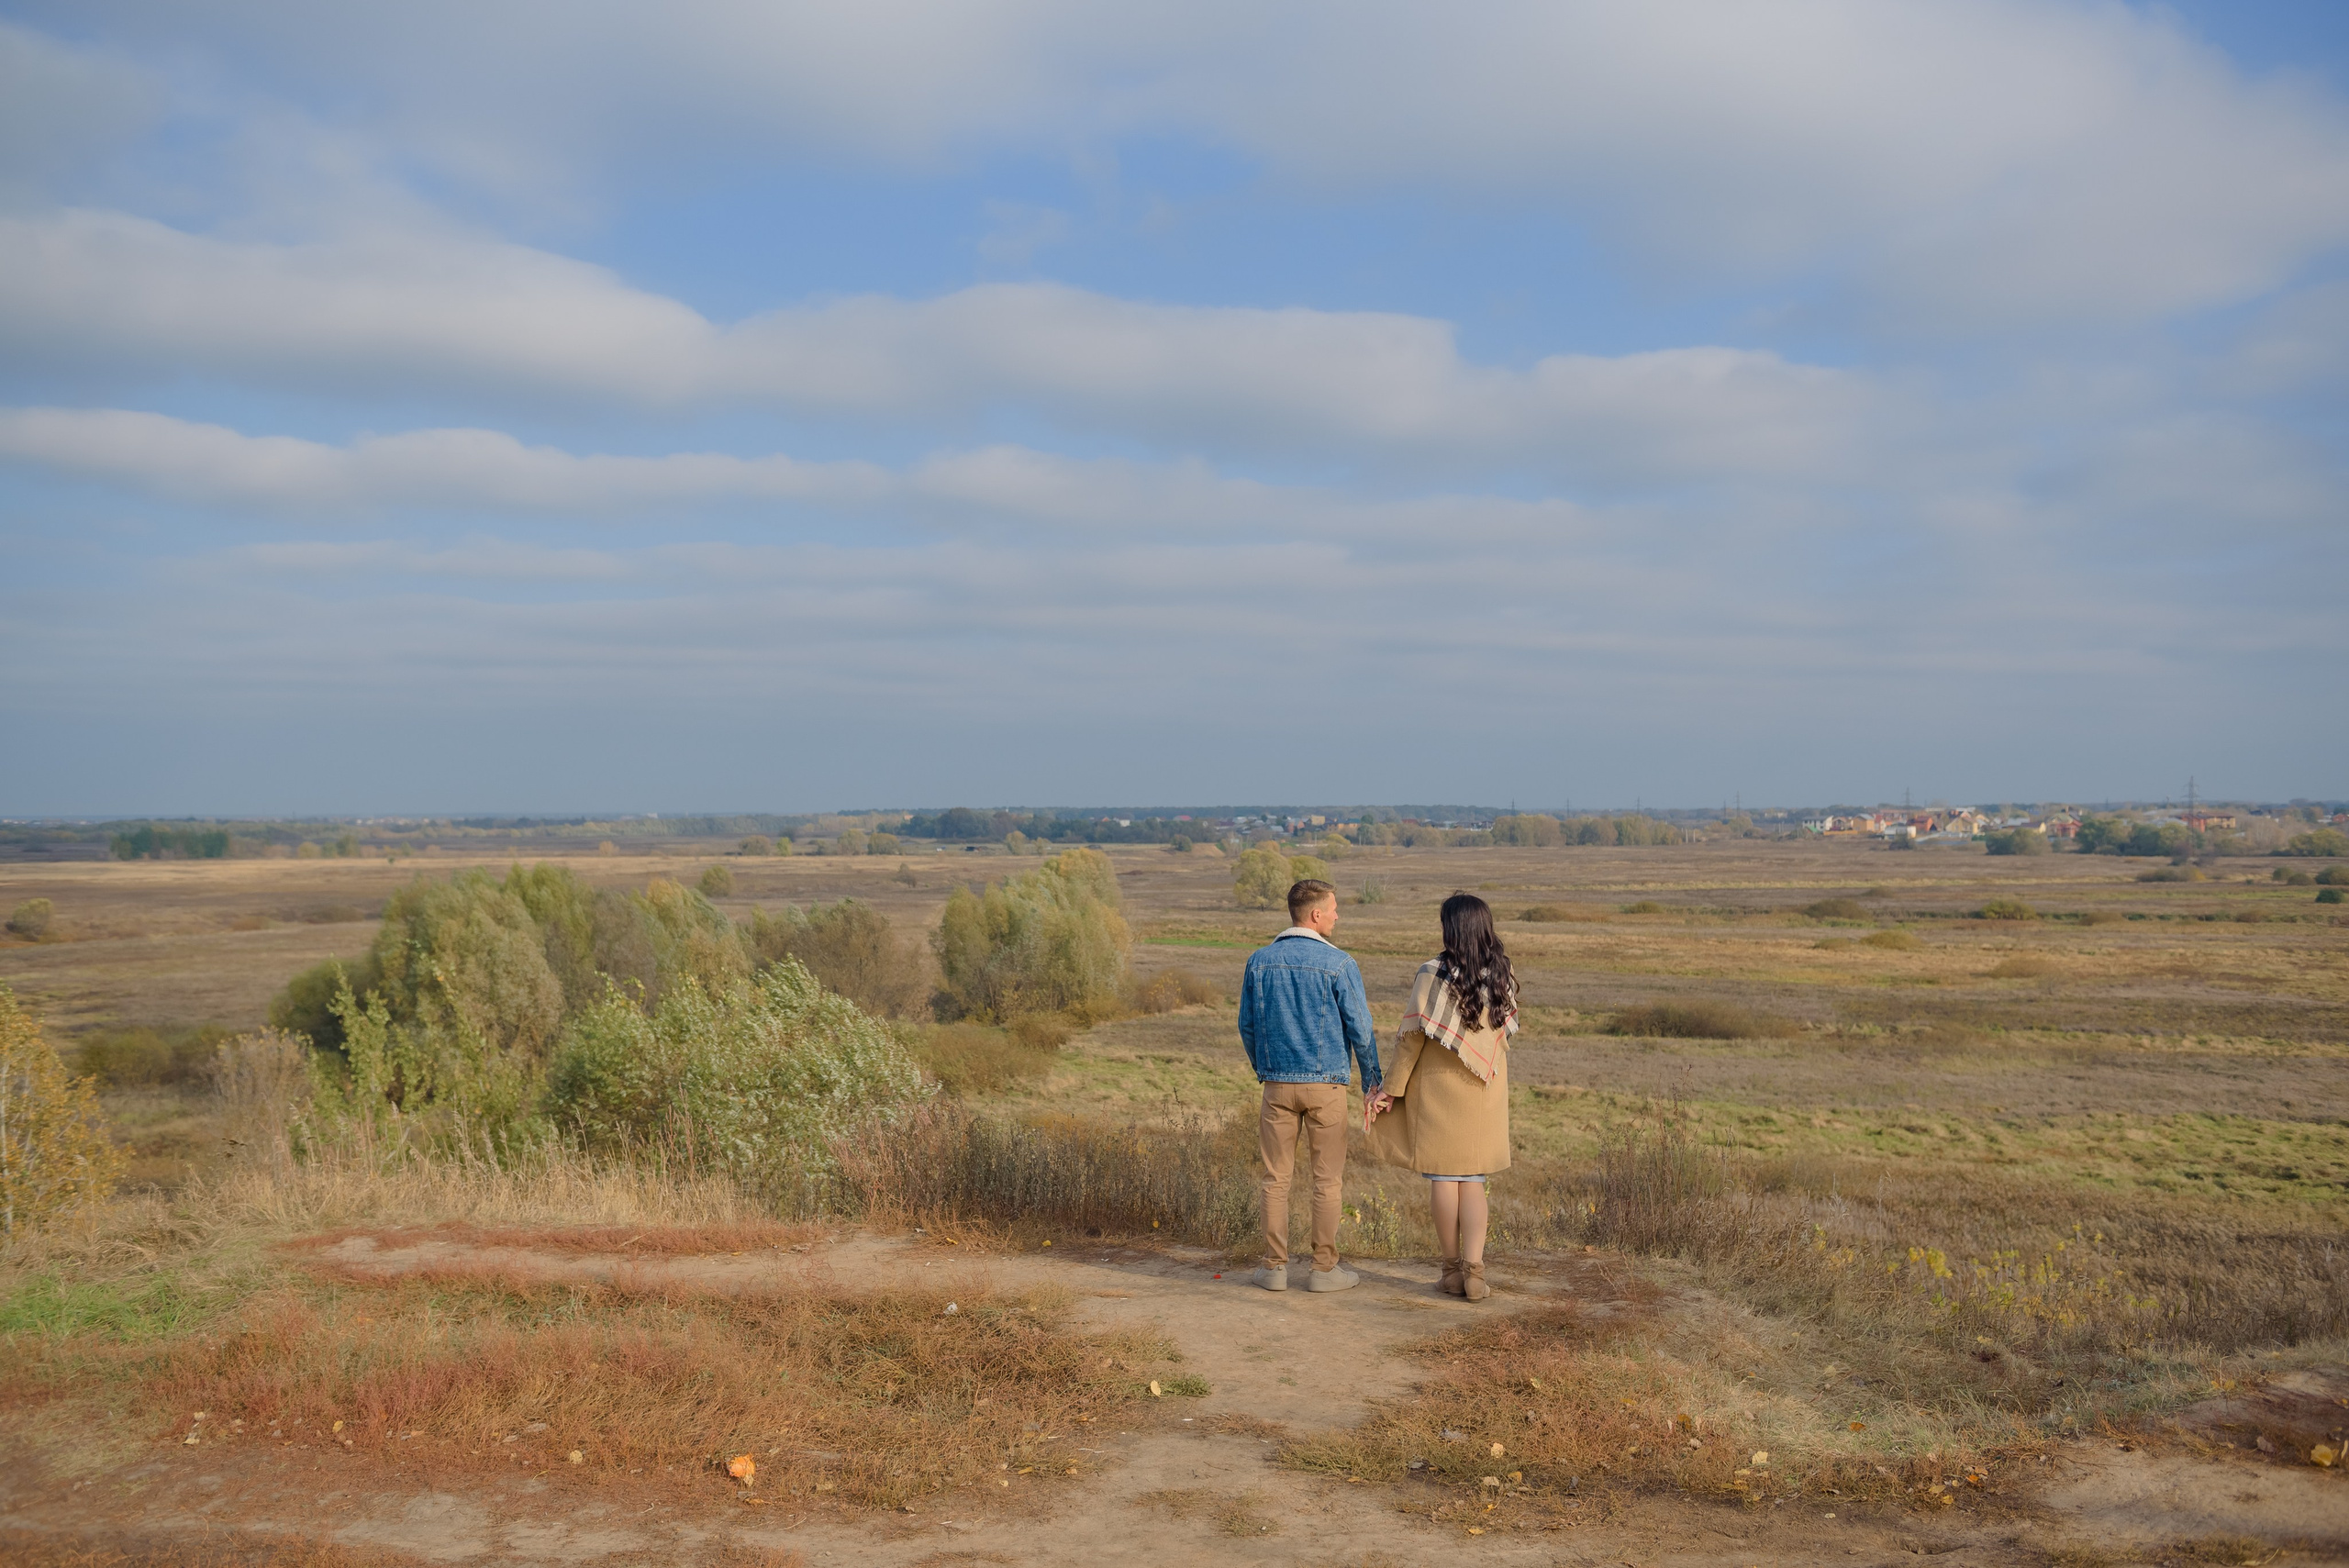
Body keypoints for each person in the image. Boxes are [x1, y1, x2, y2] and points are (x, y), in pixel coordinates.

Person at [1235, 878, 1389, 1292]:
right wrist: (1372, 1083)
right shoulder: (1340, 964)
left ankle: (1273, 1269)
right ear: (1315, 914)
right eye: (1334, 909)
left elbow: (1246, 1026)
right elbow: (1361, 1028)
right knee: (1327, 1181)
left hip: (1277, 1087)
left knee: (1275, 1180)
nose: (1338, 915)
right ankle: (1323, 1270)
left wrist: (1264, 1068)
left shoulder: (1258, 961)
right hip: (1327, 1087)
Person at [1364, 892, 1517, 1301]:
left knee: (1445, 1179)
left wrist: (1389, 1090)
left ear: (1452, 928)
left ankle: (1451, 1272)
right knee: (1474, 1180)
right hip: (1484, 1089)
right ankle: (1476, 1274)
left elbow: (1411, 1041)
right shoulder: (1501, 971)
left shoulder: (1432, 972)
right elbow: (1500, 1036)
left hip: (1439, 1087)